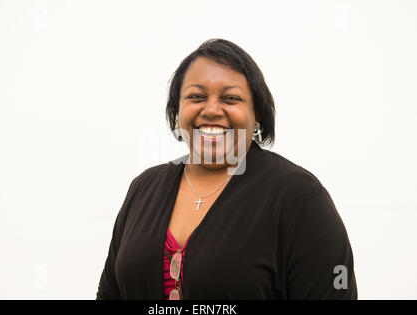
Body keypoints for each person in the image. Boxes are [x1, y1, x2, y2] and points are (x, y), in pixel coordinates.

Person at [96, 39, 357, 300]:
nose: (211, 109)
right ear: (177, 110)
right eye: (196, 97)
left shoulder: (299, 196)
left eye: (231, 98)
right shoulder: (144, 188)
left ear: (257, 115)